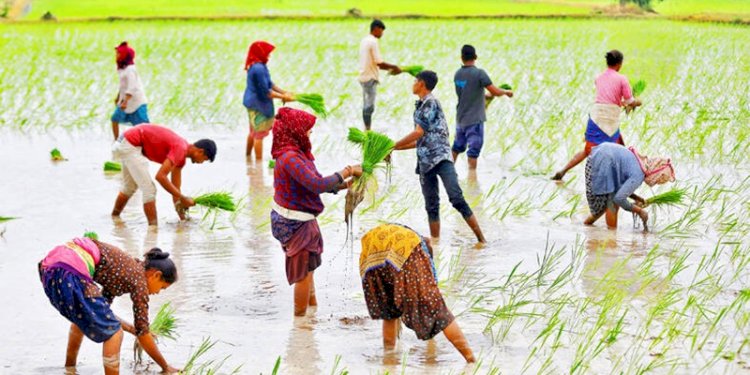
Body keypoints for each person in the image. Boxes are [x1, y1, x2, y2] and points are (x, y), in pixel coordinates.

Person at [38, 238, 180, 374]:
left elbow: (101, 313)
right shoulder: (140, 281)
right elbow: (143, 332)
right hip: (71, 271)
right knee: (115, 334)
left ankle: (70, 368)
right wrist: (165, 366)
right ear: (156, 275)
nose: (157, 293)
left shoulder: (126, 270)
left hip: (51, 268)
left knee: (83, 316)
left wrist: (132, 329)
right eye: (162, 288)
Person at [270, 107, 362, 316]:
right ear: (296, 131)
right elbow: (316, 184)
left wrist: (347, 184)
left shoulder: (299, 154)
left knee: (309, 269)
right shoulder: (290, 158)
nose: (310, 133)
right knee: (303, 273)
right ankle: (300, 323)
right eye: (308, 130)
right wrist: (348, 170)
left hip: (300, 219)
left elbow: (319, 183)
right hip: (293, 222)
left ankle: (311, 316)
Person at [392, 70, 486, 243]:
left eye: (415, 81)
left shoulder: (431, 102)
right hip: (425, 161)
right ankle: (436, 243)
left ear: (421, 84)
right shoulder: (419, 106)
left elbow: (418, 132)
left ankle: (481, 239)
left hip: (441, 158)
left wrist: (394, 144)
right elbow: (420, 139)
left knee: (456, 198)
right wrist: (393, 149)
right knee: (431, 206)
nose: (412, 84)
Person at [359, 223, 475, 362]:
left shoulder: (408, 233)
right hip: (401, 247)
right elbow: (431, 293)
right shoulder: (419, 247)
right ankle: (471, 360)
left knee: (389, 313)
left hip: (370, 253)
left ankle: (389, 359)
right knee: (439, 310)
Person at [552, 49, 642, 180]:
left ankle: (563, 171)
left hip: (596, 117)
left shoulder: (598, 77)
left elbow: (607, 98)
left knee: (588, 150)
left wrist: (622, 103)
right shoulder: (622, 79)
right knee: (618, 151)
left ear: (608, 62)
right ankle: (622, 183)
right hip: (610, 119)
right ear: (620, 64)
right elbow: (629, 101)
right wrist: (638, 102)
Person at [110, 124, 217, 226]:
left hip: (124, 141)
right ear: (200, 152)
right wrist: (183, 198)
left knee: (129, 187)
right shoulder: (180, 148)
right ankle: (153, 229)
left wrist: (183, 219)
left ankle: (114, 217)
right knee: (149, 190)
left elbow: (175, 190)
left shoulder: (181, 159)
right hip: (130, 143)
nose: (202, 162)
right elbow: (160, 177)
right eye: (204, 159)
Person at [584, 143, 675, 231]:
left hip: (597, 155)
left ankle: (587, 225)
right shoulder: (639, 175)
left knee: (604, 204)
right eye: (658, 180)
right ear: (656, 174)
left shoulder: (640, 164)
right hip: (603, 161)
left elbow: (620, 189)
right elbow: (619, 199)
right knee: (613, 204)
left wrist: (638, 198)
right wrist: (640, 211)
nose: (657, 182)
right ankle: (611, 236)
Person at [452, 44, 513, 170]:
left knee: (457, 147)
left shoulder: (457, 74)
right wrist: (506, 92)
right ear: (475, 57)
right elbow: (495, 91)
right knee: (473, 151)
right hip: (475, 120)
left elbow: (468, 93)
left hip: (461, 118)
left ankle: (447, 171)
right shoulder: (479, 74)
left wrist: (487, 95)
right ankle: (472, 178)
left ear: (461, 57)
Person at [244, 40, 295, 160]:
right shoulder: (258, 68)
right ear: (260, 53)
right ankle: (258, 165)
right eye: (267, 53)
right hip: (258, 105)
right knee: (258, 136)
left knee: (253, 131)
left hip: (252, 103)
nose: (269, 56)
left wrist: (283, 92)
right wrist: (284, 97)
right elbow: (266, 92)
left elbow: (269, 83)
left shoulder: (258, 65)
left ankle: (247, 158)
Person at [358, 19, 402, 130]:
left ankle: (367, 129)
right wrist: (394, 67)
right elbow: (379, 63)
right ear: (376, 29)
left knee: (367, 105)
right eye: (381, 31)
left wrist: (391, 69)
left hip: (363, 76)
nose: (382, 34)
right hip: (370, 77)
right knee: (369, 107)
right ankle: (367, 130)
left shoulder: (365, 40)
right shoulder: (373, 41)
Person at [111, 42, 150, 140]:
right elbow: (123, 86)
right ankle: (116, 141)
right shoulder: (123, 69)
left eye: (118, 53)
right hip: (125, 101)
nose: (116, 55)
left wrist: (125, 101)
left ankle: (147, 143)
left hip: (136, 102)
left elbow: (132, 87)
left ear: (124, 55)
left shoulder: (130, 69)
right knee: (115, 118)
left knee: (143, 127)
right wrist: (118, 97)